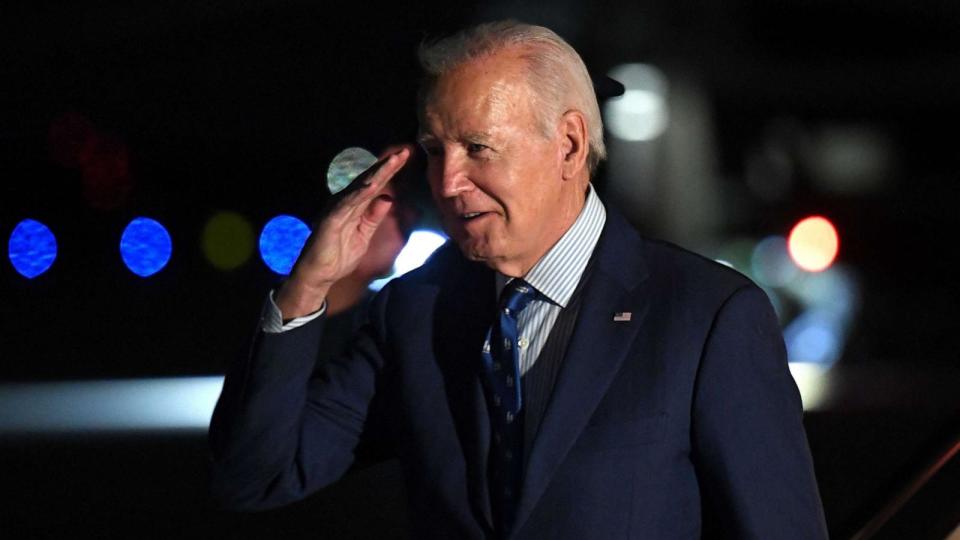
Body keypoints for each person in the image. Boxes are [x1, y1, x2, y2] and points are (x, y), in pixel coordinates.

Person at [210, 20, 828, 539]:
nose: (448, 183)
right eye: (434, 150)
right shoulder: (416, 312)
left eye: (478, 147)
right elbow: (254, 476)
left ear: (567, 144)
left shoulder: (706, 316)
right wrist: (305, 291)